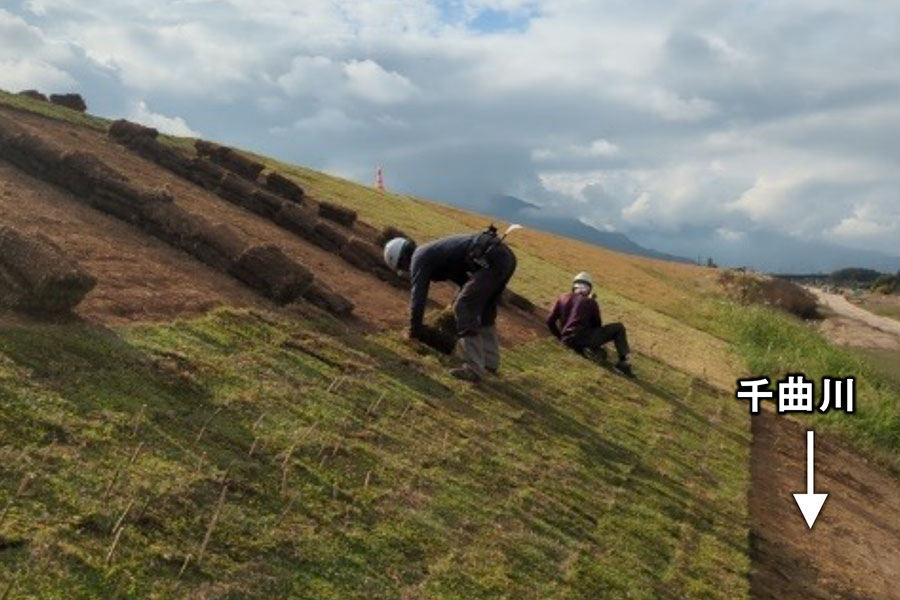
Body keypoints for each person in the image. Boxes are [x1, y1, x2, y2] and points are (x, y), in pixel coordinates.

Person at [384, 226, 517, 383]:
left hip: (493, 259)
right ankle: (490, 362)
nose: (407, 271)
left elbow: (418, 297)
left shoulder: (419, 259)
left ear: (402, 260)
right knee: (484, 308)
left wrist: (414, 329)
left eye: (402, 267)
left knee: (464, 306)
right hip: (504, 257)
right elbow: (464, 280)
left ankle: (474, 369)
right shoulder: (432, 251)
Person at [546, 271, 634, 377]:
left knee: (601, 354)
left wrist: (560, 337)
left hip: (566, 339)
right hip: (583, 339)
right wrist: (590, 303)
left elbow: (549, 321)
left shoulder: (562, 297)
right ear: (589, 289)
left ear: (574, 285)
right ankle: (624, 363)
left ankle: (590, 351)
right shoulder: (591, 303)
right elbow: (597, 325)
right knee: (619, 327)